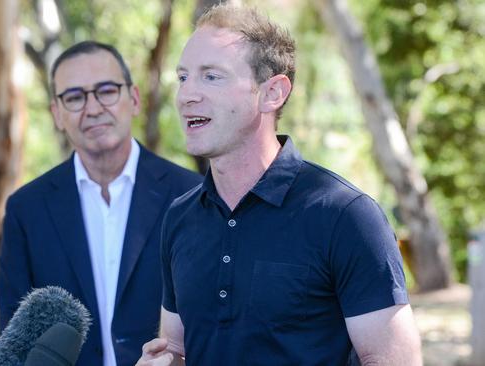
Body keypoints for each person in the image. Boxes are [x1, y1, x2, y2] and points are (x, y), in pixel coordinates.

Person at [137, 4, 422, 366]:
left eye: (211, 76)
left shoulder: (345, 216)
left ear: (272, 93)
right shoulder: (179, 218)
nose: (186, 94)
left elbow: (392, 360)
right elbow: (177, 350)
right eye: (182, 77)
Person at [0, 41, 201, 366]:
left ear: (133, 99)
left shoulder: (191, 194)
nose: (92, 109)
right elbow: (13, 337)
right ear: (57, 114)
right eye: (74, 97)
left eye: (106, 91)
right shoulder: (26, 209)